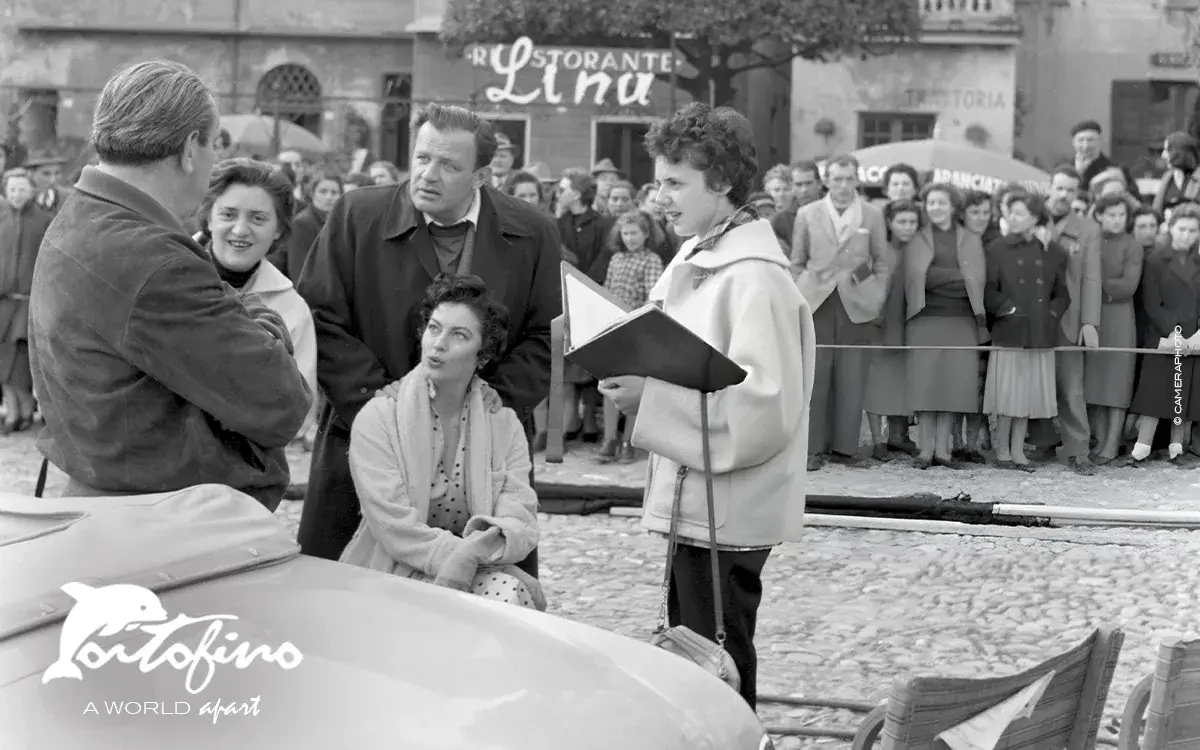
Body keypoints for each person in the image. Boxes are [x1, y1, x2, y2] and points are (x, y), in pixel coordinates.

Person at [599, 102, 815, 709]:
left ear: (720, 180)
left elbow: (763, 411)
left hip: (728, 508)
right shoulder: (701, 253)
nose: (659, 198)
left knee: (718, 661)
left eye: (675, 183)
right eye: (658, 182)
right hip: (698, 500)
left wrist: (650, 400)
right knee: (694, 655)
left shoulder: (754, 278)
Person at [28, 60, 311, 506]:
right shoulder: (154, 259)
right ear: (189, 148)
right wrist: (255, 313)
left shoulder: (83, 215)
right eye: (214, 144)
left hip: (117, 496)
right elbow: (282, 402)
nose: (215, 160)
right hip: (165, 516)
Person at [296, 102, 560, 569]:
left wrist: (489, 405)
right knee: (344, 599)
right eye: (422, 158)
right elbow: (319, 318)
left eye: (448, 165)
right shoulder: (357, 215)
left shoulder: (533, 233)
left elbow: (547, 336)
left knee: (476, 596)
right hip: (365, 434)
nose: (427, 175)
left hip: (483, 450)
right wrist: (383, 407)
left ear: (482, 176)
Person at [340, 274, 543, 609]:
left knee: (508, 594)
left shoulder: (503, 425)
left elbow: (520, 520)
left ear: (482, 356)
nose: (438, 344)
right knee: (509, 590)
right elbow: (395, 529)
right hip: (390, 573)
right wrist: (469, 557)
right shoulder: (378, 418)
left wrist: (473, 557)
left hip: (474, 571)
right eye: (434, 328)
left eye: (458, 335)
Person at [197, 158, 318, 436]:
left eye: (258, 218)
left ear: (279, 229)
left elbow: (300, 416)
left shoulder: (291, 308)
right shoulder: (165, 275)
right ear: (209, 217)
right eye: (228, 214)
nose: (240, 230)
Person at [792, 154, 892, 470]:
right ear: (827, 181)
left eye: (849, 179)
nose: (844, 185)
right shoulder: (807, 213)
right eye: (837, 179)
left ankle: (845, 449)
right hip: (816, 302)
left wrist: (872, 293)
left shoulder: (873, 214)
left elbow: (881, 262)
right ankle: (812, 448)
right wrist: (800, 293)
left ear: (857, 180)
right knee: (815, 377)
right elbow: (797, 261)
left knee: (852, 376)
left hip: (856, 303)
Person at [982, 192, 1071, 471]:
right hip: (1010, 329)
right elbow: (987, 289)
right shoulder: (996, 248)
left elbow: (1062, 293)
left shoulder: (1052, 251)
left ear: (1035, 218)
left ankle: (1018, 450)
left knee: (1027, 395)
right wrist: (1006, 309)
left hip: (1039, 331)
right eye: (1010, 212)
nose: (1012, 218)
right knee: (1007, 394)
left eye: (1019, 213)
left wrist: (1051, 314)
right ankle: (1002, 451)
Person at [904, 183, 987, 468]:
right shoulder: (916, 238)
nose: (935, 207)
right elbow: (917, 278)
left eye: (941, 202)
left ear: (953, 207)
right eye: (930, 202)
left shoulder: (971, 239)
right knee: (925, 387)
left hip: (961, 321)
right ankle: (925, 451)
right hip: (924, 320)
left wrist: (938, 278)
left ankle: (943, 451)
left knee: (953, 387)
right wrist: (956, 278)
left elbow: (976, 281)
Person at [1029, 165, 1102, 474]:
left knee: (1071, 387)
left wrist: (1089, 322)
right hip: (1031, 315)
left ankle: (1078, 451)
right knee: (1033, 381)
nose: (1064, 195)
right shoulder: (1028, 217)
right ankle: (1042, 440)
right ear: (1049, 186)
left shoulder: (1088, 229)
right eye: (1059, 188)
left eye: (1071, 190)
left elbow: (1091, 279)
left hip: (1069, 318)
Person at [1125, 203, 1200, 466]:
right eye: (1182, 229)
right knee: (1155, 390)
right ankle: (1142, 447)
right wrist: (1173, 332)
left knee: (1184, 390)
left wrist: (1198, 333)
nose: (1187, 235)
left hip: (1193, 336)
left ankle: (1177, 448)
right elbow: (1152, 302)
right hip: (1162, 334)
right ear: (1171, 228)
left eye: (1193, 230)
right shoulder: (1155, 260)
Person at [596, 210, 664, 463]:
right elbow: (607, 289)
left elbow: (653, 298)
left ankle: (628, 441)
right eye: (625, 233)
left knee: (632, 387)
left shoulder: (652, 260)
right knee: (609, 384)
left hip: (636, 330)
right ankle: (609, 438)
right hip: (613, 329)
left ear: (646, 234)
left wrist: (635, 321)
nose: (630, 238)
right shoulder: (616, 259)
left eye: (635, 233)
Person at [1084, 194, 1143, 463]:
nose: (1117, 220)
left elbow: (1127, 286)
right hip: (1093, 315)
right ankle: (1097, 441)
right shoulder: (1092, 241)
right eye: (1111, 215)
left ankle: (1111, 445)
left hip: (1119, 318)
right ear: (1099, 215)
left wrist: (1093, 285)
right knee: (1094, 381)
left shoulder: (1132, 245)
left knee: (1117, 382)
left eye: (1121, 215)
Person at [864, 199, 920, 459]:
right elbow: (856, 277)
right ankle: (878, 441)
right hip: (879, 325)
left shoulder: (919, 251)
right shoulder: (876, 249)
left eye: (913, 222)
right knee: (876, 384)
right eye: (902, 222)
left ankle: (899, 436)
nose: (908, 227)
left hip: (908, 326)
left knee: (903, 384)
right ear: (889, 222)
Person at [0, 170, 53, 433]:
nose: (16, 195)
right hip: (4, 303)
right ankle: (13, 411)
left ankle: (24, 410)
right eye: (11, 190)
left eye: (21, 189)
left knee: (21, 362)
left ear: (31, 191)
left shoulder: (45, 220)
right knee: (4, 361)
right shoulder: (1, 219)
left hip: (30, 302)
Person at [268, 169, 342, 281]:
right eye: (323, 191)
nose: (328, 197)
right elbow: (299, 272)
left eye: (334, 193)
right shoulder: (302, 223)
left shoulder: (338, 221)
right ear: (312, 193)